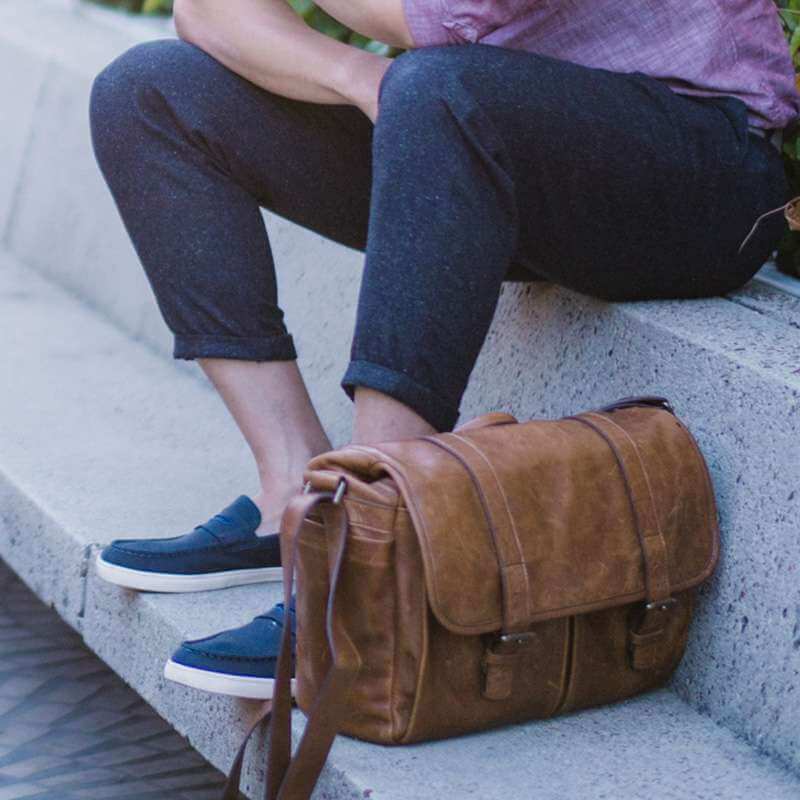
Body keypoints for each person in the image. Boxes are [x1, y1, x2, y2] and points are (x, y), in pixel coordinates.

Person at [89, 0, 798, 700]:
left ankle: (376, 548)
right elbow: (207, 10)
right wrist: (359, 79)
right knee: (148, 91)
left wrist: (402, 87)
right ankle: (296, 491)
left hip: (700, 168)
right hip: (488, 141)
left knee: (435, 85)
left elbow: (429, 18)